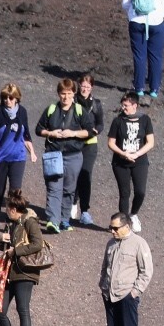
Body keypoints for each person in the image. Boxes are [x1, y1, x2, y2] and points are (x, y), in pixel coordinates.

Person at [0, 190, 47, 326]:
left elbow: (38, 244)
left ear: (14, 209)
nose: (6, 211)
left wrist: (16, 251)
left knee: (22, 309)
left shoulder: (30, 223)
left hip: (25, 273)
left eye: (7, 208)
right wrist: (1, 239)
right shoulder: (11, 224)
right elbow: (4, 249)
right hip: (9, 272)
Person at [99, 213, 153, 326]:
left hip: (126, 295)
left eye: (115, 228)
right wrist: (103, 286)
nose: (112, 231)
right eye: (111, 228)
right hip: (110, 294)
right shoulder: (111, 244)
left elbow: (147, 271)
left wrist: (134, 292)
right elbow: (105, 266)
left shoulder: (139, 244)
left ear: (127, 227)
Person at [36, 78, 92, 233]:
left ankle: (65, 219)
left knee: (69, 189)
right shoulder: (51, 109)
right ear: (58, 94)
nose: (65, 97)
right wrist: (50, 132)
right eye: (62, 94)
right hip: (54, 154)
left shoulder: (80, 111)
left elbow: (89, 131)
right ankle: (53, 221)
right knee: (54, 187)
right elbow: (38, 129)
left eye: (68, 93)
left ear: (74, 93)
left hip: (73, 155)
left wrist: (73, 133)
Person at [0, 84, 37, 220]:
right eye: (5, 97)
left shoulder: (22, 112)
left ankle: (13, 219)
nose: (8, 100)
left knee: (15, 191)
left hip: (18, 157)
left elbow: (26, 135)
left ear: (17, 98)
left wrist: (32, 152)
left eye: (11, 98)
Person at [107, 91, 154, 231]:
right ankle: (123, 223)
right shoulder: (118, 121)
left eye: (126, 105)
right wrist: (123, 153)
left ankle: (133, 214)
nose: (124, 108)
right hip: (121, 162)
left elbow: (150, 142)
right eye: (123, 105)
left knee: (140, 191)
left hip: (140, 161)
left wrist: (137, 154)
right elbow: (111, 142)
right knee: (124, 193)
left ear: (135, 105)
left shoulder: (145, 120)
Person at [72, 74, 105, 227]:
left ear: (92, 87)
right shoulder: (72, 100)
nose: (84, 89)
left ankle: (84, 210)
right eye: (82, 86)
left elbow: (100, 124)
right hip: (73, 142)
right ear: (79, 85)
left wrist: (94, 131)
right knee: (72, 174)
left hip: (90, 144)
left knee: (86, 175)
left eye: (87, 86)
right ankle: (72, 203)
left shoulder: (96, 104)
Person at [124, 0, 164, 101]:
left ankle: (139, 88)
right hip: (156, 22)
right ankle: (154, 89)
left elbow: (125, 4)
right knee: (156, 57)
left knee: (139, 56)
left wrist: (132, 14)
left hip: (136, 22)